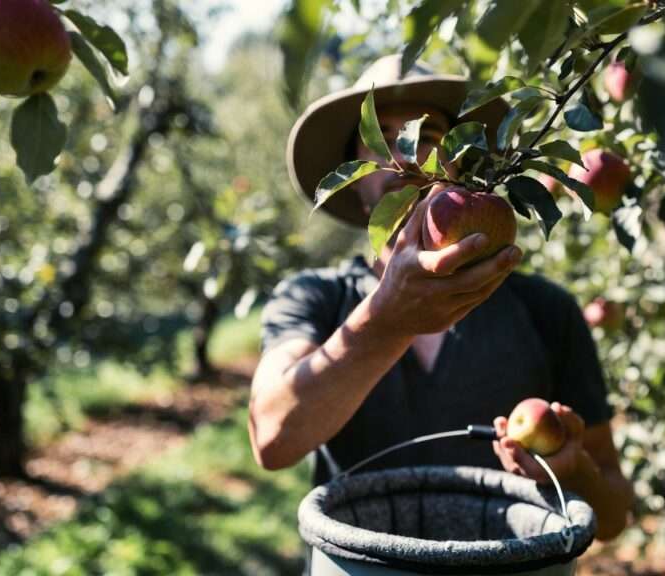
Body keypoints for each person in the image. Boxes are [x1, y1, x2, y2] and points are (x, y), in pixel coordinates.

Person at [248, 55, 633, 542]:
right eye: (381, 140)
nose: (406, 155)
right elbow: (271, 439)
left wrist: (571, 470)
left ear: (460, 162)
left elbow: (613, 516)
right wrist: (387, 320)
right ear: (353, 176)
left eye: (426, 137)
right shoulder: (315, 298)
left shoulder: (544, 310)